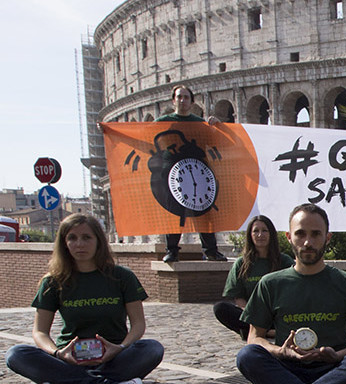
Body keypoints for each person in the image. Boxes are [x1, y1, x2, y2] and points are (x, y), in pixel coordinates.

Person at [5, 214, 164, 384]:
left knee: (152, 348)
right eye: (72, 238)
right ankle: (104, 382)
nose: (79, 244)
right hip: (68, 360)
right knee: (16, 354)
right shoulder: (52, 281)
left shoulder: (122, 276)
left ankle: (74, 381)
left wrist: (120, 348)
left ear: (98, 241)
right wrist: (58, 353)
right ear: (64, 244)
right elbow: (40, 332)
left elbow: (138, 324)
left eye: (87, 237)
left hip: (114, 358)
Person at [236, 203, 346, 384]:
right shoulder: (270, 284)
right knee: (247, 356)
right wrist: (280, 351)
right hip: (286, 369)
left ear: (327, 238)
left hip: (333, 369)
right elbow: (254, 338)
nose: (307, 243)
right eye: (300, 234)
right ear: (289, 237)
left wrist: (337, 356)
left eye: (316, 234)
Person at [156, 84, 226, 262]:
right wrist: (109, 129)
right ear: (173, 100)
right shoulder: (163, 122)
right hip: (174, 172)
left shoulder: (199, 123)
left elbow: (216, 141)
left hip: (198, 170)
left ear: (192, 101)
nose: (182, 100)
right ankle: (172, 250)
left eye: (186, 97)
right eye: (179, 97)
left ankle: (211, 250)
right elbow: (140, 134)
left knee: (204, 212)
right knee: (174, 210)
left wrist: (218, 126)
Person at [214, 215, 294, 340]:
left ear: (271, 234)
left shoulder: (284, 261)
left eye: (264, 231)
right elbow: (238, 297)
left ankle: (254, 331)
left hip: (277, 315)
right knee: (220, 308)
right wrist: (249, 314)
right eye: (256, 231)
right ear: (250, 235)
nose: (260, 235)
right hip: (251, 315)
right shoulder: (241, 263)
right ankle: (267, 332)